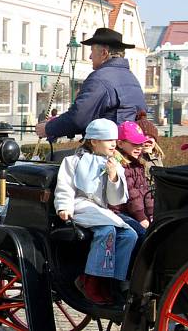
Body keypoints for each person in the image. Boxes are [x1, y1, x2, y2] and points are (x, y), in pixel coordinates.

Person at [55, 118, 137, 305]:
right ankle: (91, 279)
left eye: (115, 140)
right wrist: (64, 207)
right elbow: (65, 187)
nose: (114, 144)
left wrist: (114, 176)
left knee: (129, 235)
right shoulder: (73, 161)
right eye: (109, 140)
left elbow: (116, 199)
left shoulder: (113, 164)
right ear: (94, 141)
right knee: (106, 231)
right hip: (80, 206)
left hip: (100, 210)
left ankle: (114, 281)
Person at [36, 28, 147, 140]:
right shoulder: (131, 77)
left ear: (104, 53)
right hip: (132, 145)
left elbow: (78, 118)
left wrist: (47, 128)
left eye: (92, 51)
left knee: (53, 156)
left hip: (109, 147)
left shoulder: (99, 78)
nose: (89, 56)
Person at [109, 122, 153, 240]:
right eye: (134, 144)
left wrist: (151, 214)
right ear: (120, 143)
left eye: (141, 143)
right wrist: (142, 218)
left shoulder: (138, 164)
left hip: (134, 211)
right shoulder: (120, 165)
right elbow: (131, 194)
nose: (139, 147)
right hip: (120, 212)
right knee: (143, 234)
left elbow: (145, 192)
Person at [135, 112, 164, 182]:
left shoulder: (157, 156)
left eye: (151, 137)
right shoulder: (135, 160)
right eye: (143, 136)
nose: (147, 140)